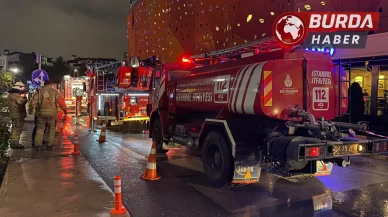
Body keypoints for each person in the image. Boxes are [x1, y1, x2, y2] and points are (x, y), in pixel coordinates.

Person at [28, 80, 67, 151]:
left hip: (41, 113)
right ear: (50, 84)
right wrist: (65, 111)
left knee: (40, 129)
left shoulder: (39, 92)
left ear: (44, 84)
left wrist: (30, 111)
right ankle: (49, 145)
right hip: (52, 114)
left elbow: (32, 103)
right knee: (51, 129)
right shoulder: (54, 92)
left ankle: (38, 146)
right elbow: (61, 103)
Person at [7, 82, 28, 149]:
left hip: (14, 114)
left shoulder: (11, 94)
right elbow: (21, 101)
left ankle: (14, 142)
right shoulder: (15, 95)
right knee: (17, 129)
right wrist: (25, 97)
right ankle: (15, 143)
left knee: (15, 129)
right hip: (17, 114)